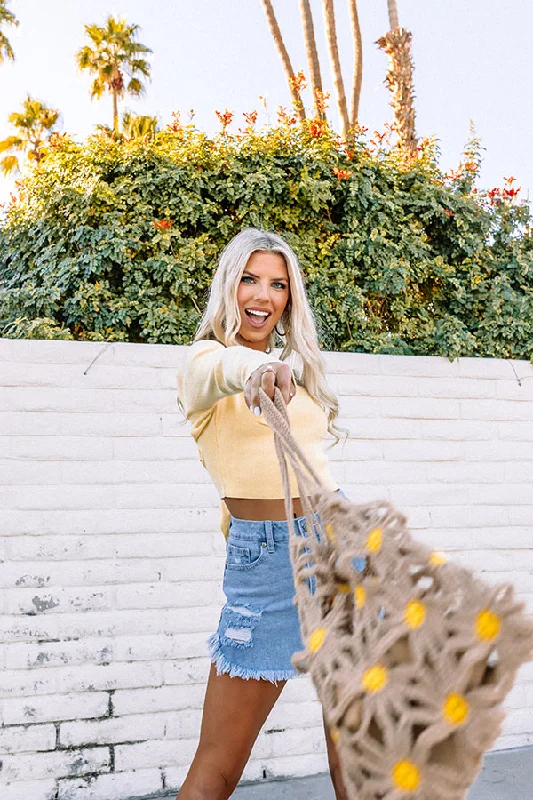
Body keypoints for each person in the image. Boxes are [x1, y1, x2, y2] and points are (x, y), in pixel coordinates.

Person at [176, 228, 348, 799]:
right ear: (230, 287)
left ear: (289, 298)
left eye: (278, 284)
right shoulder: (205, 364)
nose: (263, 294)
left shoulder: (297, 371)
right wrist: (252, 370)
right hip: (269, 559)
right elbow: (218, 370)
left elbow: (316, 467)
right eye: (250, 278)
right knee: (219, 763)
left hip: (338, 550)